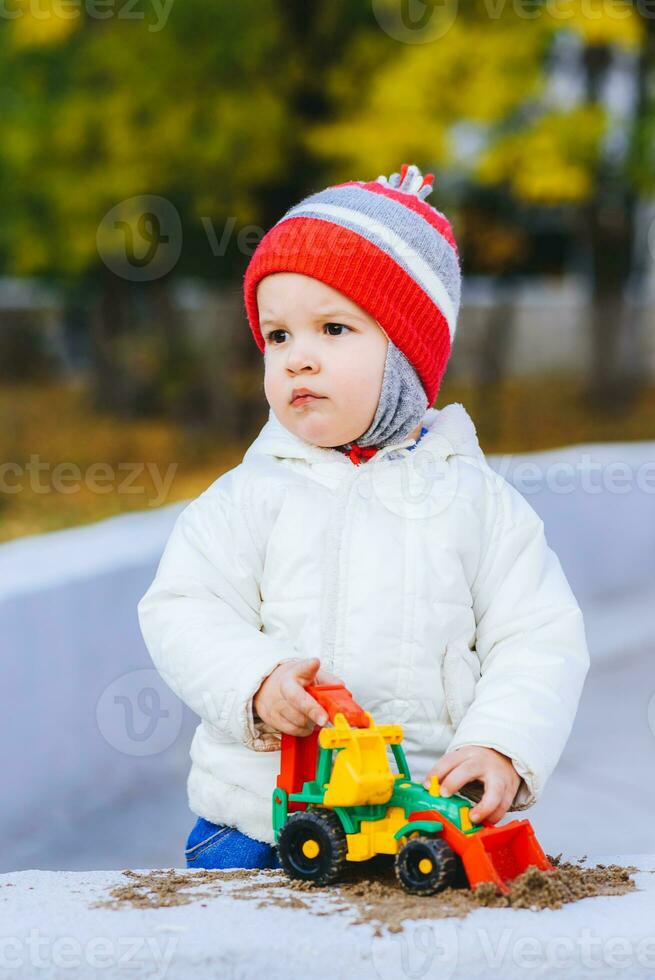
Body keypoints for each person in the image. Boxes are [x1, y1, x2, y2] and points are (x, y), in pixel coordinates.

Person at [137, 163, 590, 871]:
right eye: (279, 336)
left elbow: (537, 637)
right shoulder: (246, 498)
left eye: (332, 328)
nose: (297, 361)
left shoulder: (475, 503)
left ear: (408, 356)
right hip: (258, 819)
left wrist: (500, 742)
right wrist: (255, 682)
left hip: (418, 812)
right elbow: (183, 608)